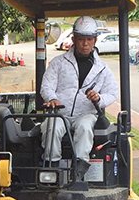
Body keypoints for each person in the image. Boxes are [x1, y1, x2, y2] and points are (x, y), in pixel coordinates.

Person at [40, 15, 119, 172]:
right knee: (51, 126)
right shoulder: (59, 63)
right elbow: (46, 86)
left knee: (85, 127)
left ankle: (79, 169)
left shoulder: (102, 69)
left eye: (89, 39)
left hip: (85, 114)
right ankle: (52, 167)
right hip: (60, 113)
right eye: (81, 39)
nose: (85, 43)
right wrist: (52, 98)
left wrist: (99, 98)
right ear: (74, 39)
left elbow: (112, 93)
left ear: (95, 40)